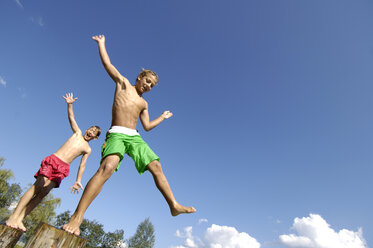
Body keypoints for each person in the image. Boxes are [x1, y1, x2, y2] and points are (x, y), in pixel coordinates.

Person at [62, 34, 196, 236]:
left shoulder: (144, 103)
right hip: (116, 134)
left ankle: (174, 205)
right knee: (107, 167)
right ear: (139, 78)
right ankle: (76, 217)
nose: (148, 86)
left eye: (152, 85)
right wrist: (102, 44)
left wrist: (162, 117)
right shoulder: (123, 84)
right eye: (147, 81)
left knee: (156, 166)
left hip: (134, 136)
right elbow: (107, 64)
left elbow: (147, 126)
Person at [5, 93, 101, 231]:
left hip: (62, 169)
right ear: (87, 129)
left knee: (43, 193)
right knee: (38, 186)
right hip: (54, 160)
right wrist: (70, 105)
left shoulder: (87, 149)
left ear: (95, 138)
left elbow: (82, 165)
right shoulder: (77, 133)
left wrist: (78, 180)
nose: (91, 132)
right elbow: (71, 118)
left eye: (94, 132)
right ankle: (14, 216)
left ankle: (20, 219)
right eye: (90, 129)